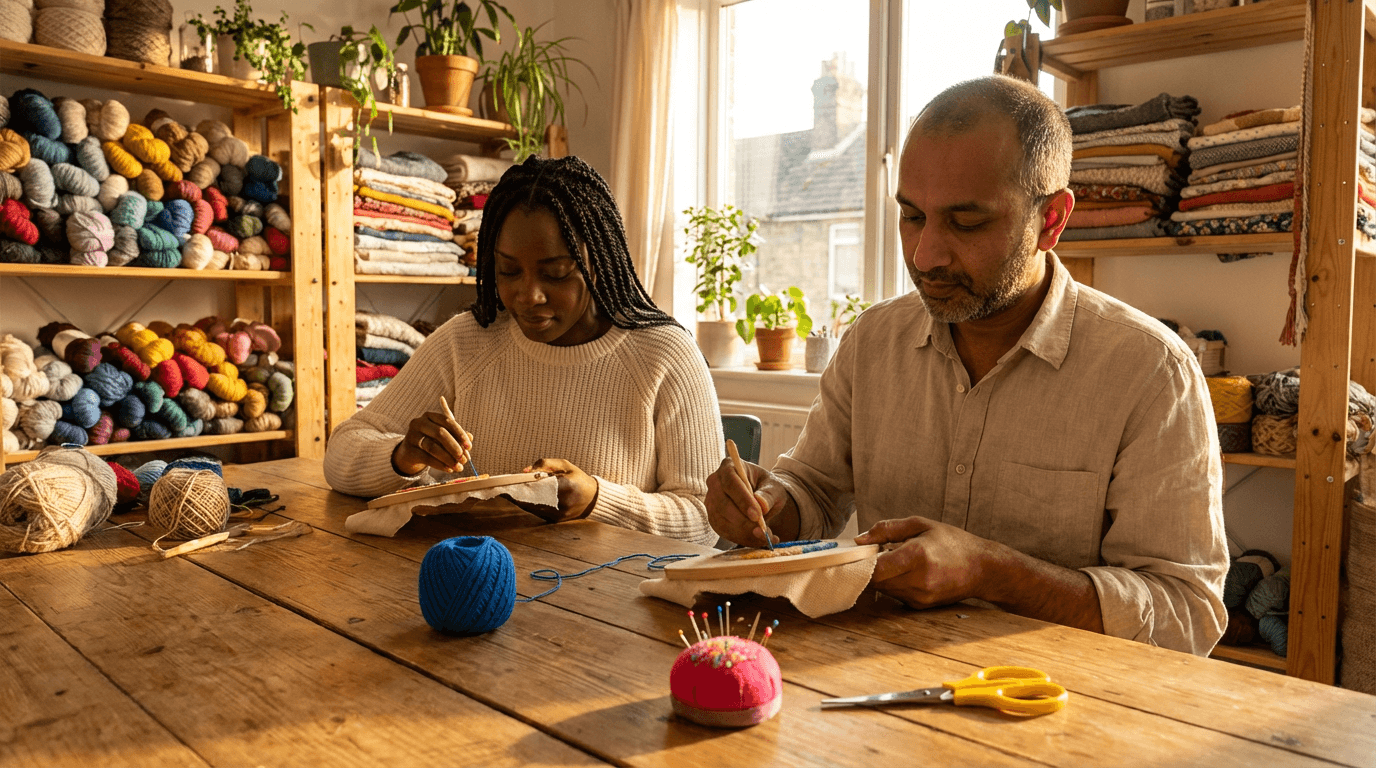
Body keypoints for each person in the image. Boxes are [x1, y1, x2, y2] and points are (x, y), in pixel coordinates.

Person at [704, 75, 1228, 655]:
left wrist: (994, 572)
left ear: (1051, 221)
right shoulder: (874, 342)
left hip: (1061, 710)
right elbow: (815, 491)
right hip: (873, 682)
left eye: (967, 222)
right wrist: (769, 505)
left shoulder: (1150, 374)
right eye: (911, 216)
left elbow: (1188, 615)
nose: (925, 256)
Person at [326, 156, 723, 546]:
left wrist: (596, 501)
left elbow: (707, 521)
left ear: (598, 261)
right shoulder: (467, 341)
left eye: (555, 273)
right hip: (477, 591)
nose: (527, 295)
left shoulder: (664, 356)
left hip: (609, 603)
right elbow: (341, 453)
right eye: (508, 271)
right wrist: (403, 457)